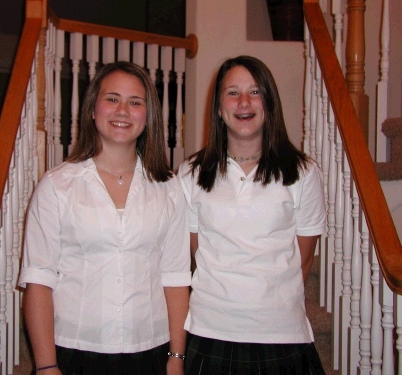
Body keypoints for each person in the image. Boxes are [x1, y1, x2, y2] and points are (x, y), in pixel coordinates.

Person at [18, 61, 191, 375]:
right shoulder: (57, 186)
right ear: (92, 109)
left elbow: (176, 278)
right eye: (112, 98)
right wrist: (45, 366)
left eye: (135, 102)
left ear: (148, 115)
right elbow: (39, 282)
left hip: (150, 351)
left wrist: (176, 359)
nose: (123, 110)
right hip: (74, 352)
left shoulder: (170, 189)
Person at [178, 56, 326, 374]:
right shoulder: (190, 173)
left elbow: (302, 260)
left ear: (269, 103)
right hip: (209, 332)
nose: (244, 102)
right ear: (218, 107)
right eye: (233, 92)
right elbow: (196, 252)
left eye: (255, 92)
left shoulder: (304, 172)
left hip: (282, 334)